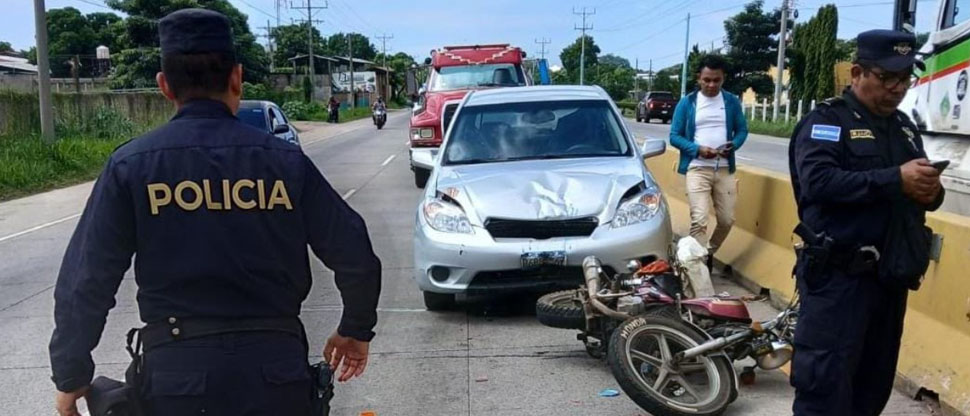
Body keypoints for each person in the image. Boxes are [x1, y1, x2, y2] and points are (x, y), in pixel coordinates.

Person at [49, 8, 382, 416]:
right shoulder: (285, 163)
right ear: (237, 78)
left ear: (164, 86)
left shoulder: (131, 166)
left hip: (176, 383)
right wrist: (354, 328)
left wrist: (71, 372)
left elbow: (87, 279)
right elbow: (356, 254)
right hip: (276, 377)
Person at [788, 29, 944, 416]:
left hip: (889, 279)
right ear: (857, 72)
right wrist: (896, 179)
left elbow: (920, 186)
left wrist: (930, 191)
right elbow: (819, 182)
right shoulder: (826, 122)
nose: (897, 88)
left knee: (872, 385)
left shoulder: (904, 127)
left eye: (905, 78)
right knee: (823, 388)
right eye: (887, 77)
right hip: (837, 280)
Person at [669, 55, 748, 267]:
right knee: (700, 220)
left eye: (717, 80)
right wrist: (698, 150)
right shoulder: (687, 103)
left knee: (727, 220)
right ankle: (696, 267)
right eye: (707, 80)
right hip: (697, 169)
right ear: (699, 78)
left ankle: (707, 252)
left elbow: (742, 130)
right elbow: (674, 136)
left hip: (724, 170)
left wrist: (734, 144)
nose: (711, 85)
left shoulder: (731, 102)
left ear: (723, 79)